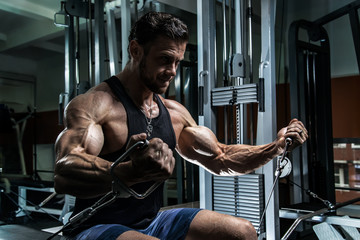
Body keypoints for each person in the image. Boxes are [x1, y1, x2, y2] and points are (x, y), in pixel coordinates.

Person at [54, 11, 308, 240]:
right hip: (95, 226)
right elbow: (65, 171)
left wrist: (275, 148)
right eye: (164, 59)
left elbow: (221, 158)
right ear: (135, 50)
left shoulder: (174, 113)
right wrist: (131, 171)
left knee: (243, 232)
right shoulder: (96, 105)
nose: (172, 70)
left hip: (151, 221)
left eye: (177, 61)